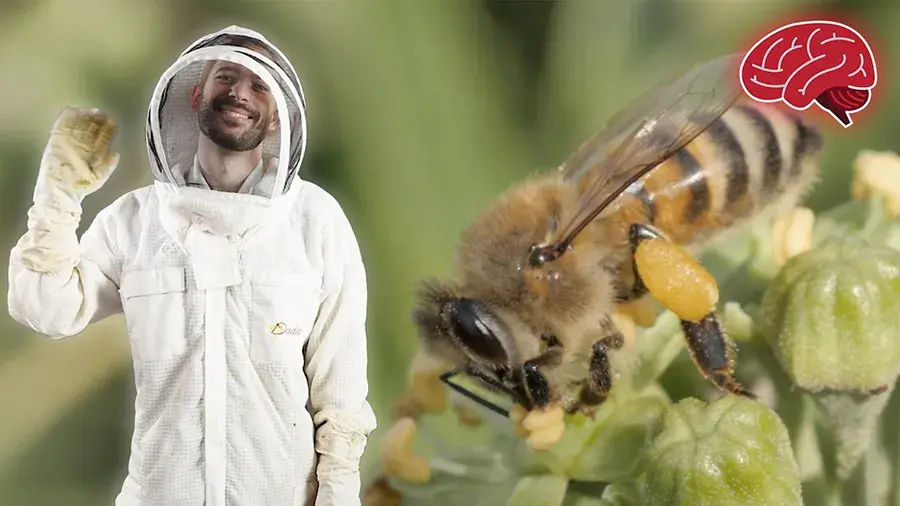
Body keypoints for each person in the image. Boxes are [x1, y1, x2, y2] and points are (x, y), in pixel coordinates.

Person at [6, 25, 376, 506]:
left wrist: (338, 495)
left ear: (280, 117)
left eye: (259, 84)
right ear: (196, 92)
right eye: (226, 76)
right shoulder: (134, 223)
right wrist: (57, 196)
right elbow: (44, 309)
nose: (239, 91)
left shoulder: (316, 223)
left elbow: (341, 390)